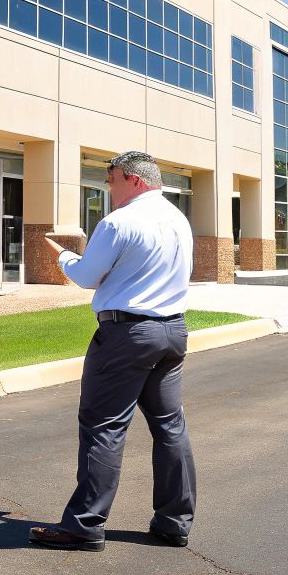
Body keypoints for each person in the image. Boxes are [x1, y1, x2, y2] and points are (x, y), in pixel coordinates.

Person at [28, 150, 196, 553]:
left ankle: (84, 525)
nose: (108, 184)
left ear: (135, 180)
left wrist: (64, 255)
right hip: (172, 331)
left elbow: (86, 277)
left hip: (127, 335)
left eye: (112, 177)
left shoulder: (118, 221)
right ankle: (175, 522)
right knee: (170, 427)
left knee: (104, 427)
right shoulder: (179, 219)